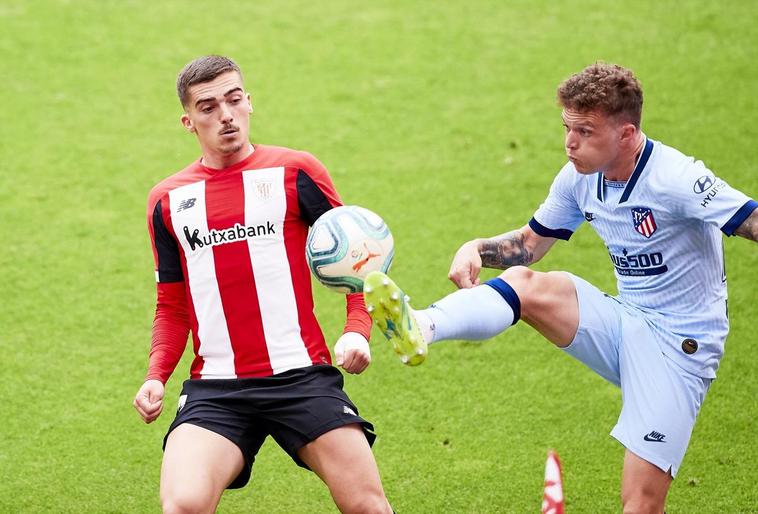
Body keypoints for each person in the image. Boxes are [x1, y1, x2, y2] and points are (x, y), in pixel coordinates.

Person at [364, 63, 758, 513]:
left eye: (585, 131)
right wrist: (477, 248)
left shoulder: (678, 178)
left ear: (627, 135)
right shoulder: (579, 178)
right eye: (567, 128)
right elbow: (529, 246)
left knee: (641, 506)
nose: (570, 143)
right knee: (527, 285)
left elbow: (752, 221)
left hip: (679, 350)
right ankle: (422, 324)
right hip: (625, 322)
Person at [132, 55, 393, 514]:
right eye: (208, 107)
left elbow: (360, 258)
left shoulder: (296, 172)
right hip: (217, 388)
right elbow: (172, 307)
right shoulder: (167, 201)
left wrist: (357, 330)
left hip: (303, 376)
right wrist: (156, 376)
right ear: (188, 121)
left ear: (249, 103)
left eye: (233, 100)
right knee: (183, 505)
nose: (225, 115)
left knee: (367, 505)